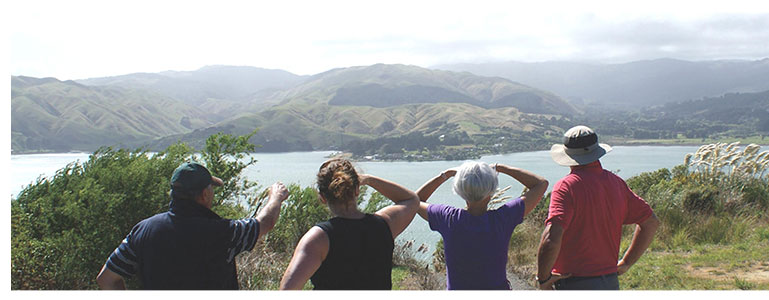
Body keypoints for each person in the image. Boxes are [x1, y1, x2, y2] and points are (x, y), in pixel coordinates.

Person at [95, 162, 289, 289]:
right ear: (204, 195)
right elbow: (264, 223)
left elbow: (106, 278)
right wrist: (276, 197)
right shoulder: (222, 232)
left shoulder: (143, 230)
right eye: (211, 189)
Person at [536, 125, 660, 290]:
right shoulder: (616, 184)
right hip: (609, 283)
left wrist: (543, 279)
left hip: (572, 284)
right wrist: (626, 263)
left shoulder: (566, 187)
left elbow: (551, 239)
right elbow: (651, 222)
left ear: (569, 154)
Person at [279, 158, 419, 290]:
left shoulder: (318, 238)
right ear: (357, 190)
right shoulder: (385, 224)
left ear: (322, 197)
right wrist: (370, 180)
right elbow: (411, 200)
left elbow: (287, 289)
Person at [415, 161, 548, 290]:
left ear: (460, 191)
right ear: (491, 193)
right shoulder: (503, 218)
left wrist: (446, 175)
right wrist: (499, 167)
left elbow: (415, 200)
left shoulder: (448, 218)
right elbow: (541, 184)